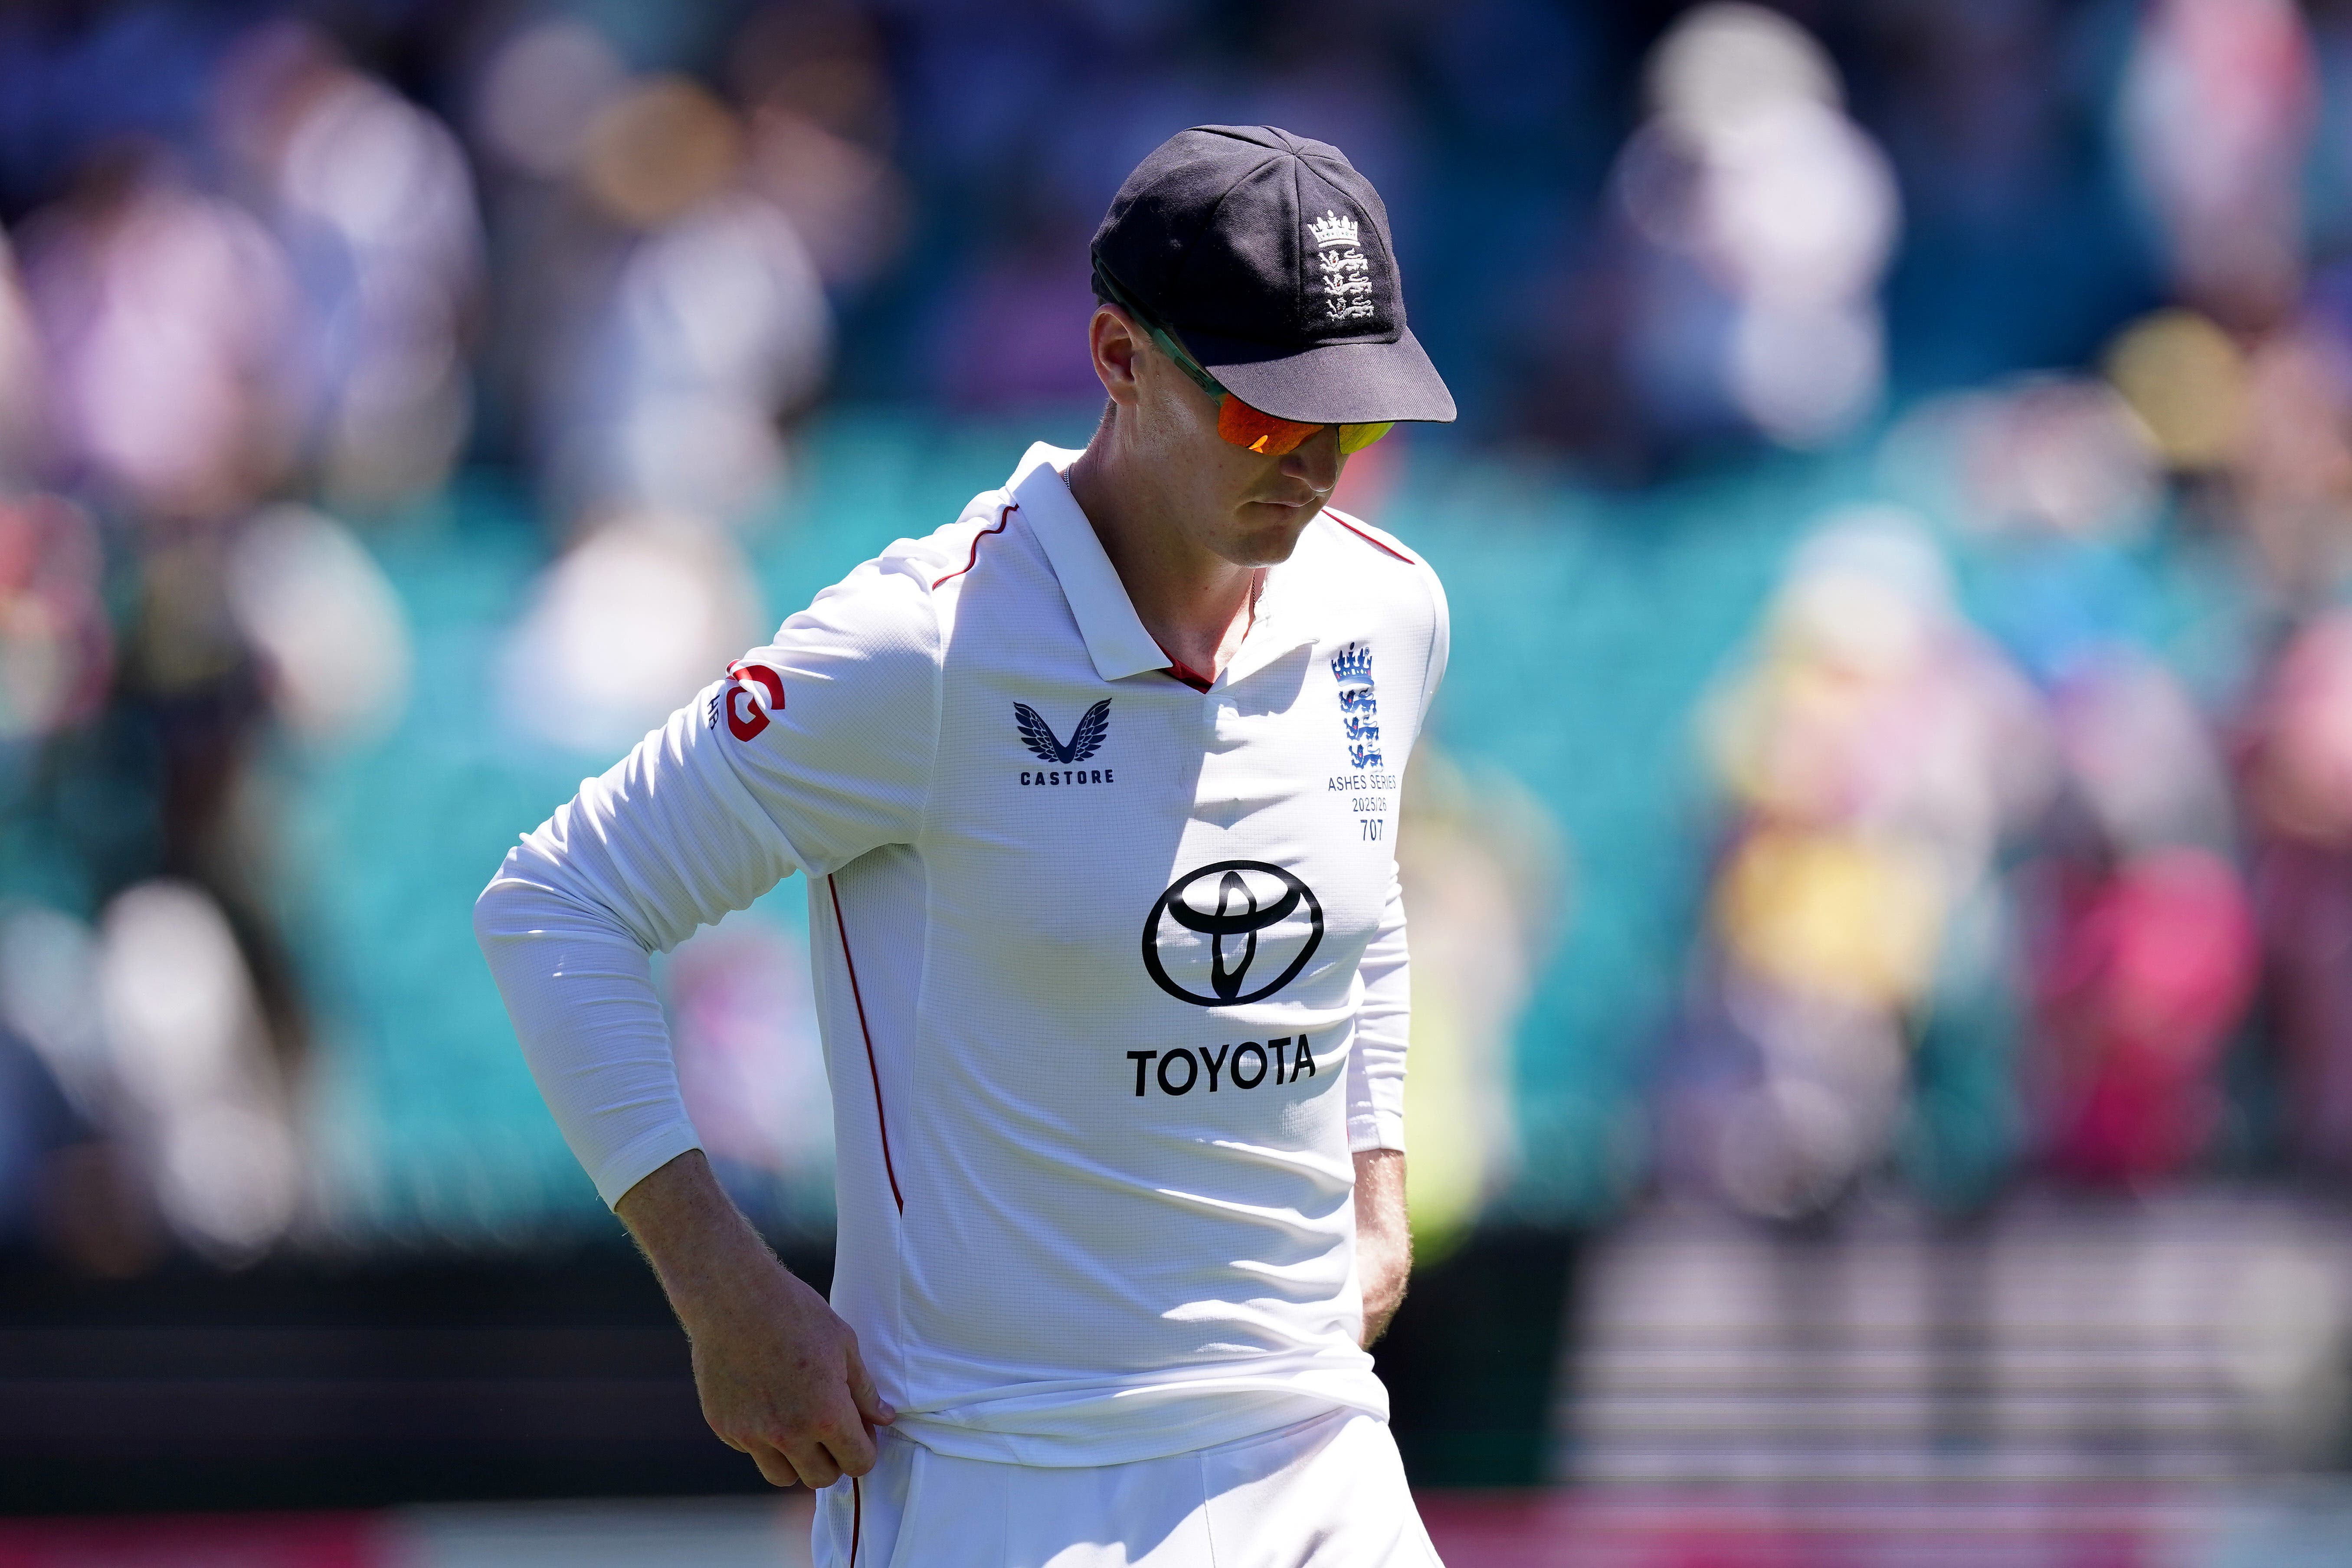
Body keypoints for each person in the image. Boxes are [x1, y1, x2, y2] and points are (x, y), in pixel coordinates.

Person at [475, 124, 1457, 1566]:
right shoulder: (919, 646)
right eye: (1264, 416)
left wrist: (1381, 1184)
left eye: (1353, 423)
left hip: (1318, 1449)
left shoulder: (1393, 610)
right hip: (999, 1475)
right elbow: (557, 904)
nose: (1312, 465)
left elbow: (1358, 902)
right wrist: (726, 1292)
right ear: (1120, 361)